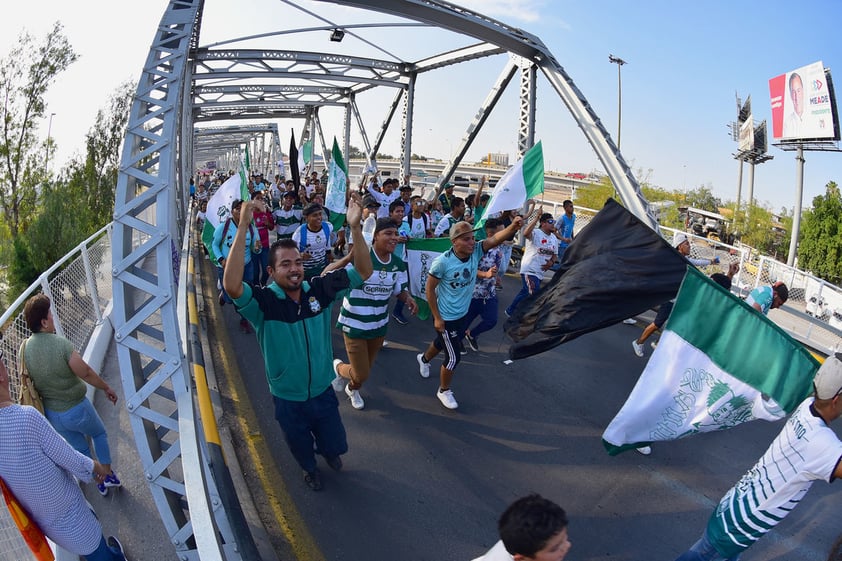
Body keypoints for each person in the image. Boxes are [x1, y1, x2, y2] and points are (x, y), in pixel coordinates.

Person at [223, 194, 372, 492]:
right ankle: (308, 468)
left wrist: (356, 228)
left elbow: (364, 272)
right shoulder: (263, 303)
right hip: (287, 397)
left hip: (322, 389)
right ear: (271, 272)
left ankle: (329, 454)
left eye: (297, 263)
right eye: (285, 264)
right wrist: (243, 227)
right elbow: (231, 285)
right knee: (299, 441)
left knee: (335, 441)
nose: (294, 269)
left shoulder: (320, 288)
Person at [674, 353, 842, 561]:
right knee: (701, 556)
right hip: (738, 526)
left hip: (735, 507)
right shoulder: (822, 444)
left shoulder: (807, 408)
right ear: (836, 399)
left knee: (704, 552)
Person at [0, 352, 128, 561]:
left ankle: (112, 553)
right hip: (68, 508)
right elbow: (67, 456)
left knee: (90, 547)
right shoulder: (26, 419)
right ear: (1, 375)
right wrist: (97, 469)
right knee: (97, 550)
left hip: (45, 520)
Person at [416, 216, 524, 409]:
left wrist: (513, 227)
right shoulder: (442, 263)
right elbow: (430, 290)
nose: (472, 242)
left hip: (462, 313)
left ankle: (423, 359)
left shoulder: (476, 252)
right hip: (446, 317)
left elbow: (496, 239)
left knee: (442, 343)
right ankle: (444, 390)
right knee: (454, 357)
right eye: (466, 239)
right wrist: (437, 318)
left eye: (473, 238)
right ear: (454, 241)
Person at [21, 294, 122, 497]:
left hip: (54, 415)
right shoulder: (60, 345)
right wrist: (105, 388)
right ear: (43, 322)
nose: (52, 317)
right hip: (77, 408)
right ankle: (109, 475)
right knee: (99, 434)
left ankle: (99, 482)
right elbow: (85, 372)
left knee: (81, 449)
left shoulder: (26, 349)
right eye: (50, 314)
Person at [332, 217, 418, 410]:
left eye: (396, 234)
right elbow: (328, 277)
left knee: (363, 371)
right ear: (375, 237)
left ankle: (352, 388)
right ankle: (338, 368)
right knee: (362, 374)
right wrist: (346, 259)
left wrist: (409, 299)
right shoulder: (361, 260)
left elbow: (398, 290)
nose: (394, 238)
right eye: (388, 233)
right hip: (354, 325)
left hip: (379, 327)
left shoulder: (397, 264)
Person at [632, 236, 728, 357]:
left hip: (679, 299)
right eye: (686, 244)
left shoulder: (684, 259)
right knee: (657, 323)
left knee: (676, 325)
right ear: (679, 246)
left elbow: (696, 262)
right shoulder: (674, 259)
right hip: (670, 298)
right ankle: (639, 342)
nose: (689, 246)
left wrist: (712, 262)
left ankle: (658, 342)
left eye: (689, 243)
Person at [472, 494, 571, 561]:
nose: (567, 546)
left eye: (564, 538)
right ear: (521, 558)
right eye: (554, 549)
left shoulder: (520, 541)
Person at [212, 199, 259, 332]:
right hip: (226, 268)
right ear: (232, 211)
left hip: (246, 266)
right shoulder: (224, 227)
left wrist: (257, 248)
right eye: (238, 208)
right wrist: (221, 259)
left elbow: (256, 248)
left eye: (243, 208)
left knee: (244, 295)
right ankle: (224, 295)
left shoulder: (251, 228)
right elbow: (214, 244)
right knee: (230, 298)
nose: (241, 211)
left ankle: (244, 320)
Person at [505, 210, 559, 318]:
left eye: (554, 221)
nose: (553, 223)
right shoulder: (536, 232)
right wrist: (536, 218)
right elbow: (525, 234)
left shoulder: (553, 238)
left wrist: (551, 262)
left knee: (525, 292)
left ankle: (511, 311)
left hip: (540, 272)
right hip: (529, 269)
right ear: (543, 223)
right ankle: (529, 317)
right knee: (535, 293)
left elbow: (555, 254)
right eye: (550, 221)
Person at [463, 219, 503, 353]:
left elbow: (494, 269)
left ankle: (472, 334)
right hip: (473, 294)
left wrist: (496, 278)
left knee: (491, 321)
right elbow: (469, 269)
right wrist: (485, 274)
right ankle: (455, 343)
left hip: (489, 294)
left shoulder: (499, 250)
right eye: (502, 232)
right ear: (491, 234)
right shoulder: (479, 248)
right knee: (462, 324)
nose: (505, 234)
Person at [292, 202, 334, 280]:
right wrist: (300, 255)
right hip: (305, 272)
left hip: (322, 269)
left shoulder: (328, 227)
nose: (319, 217)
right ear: (306, 218)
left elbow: (327, 242)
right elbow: (292, 252)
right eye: (315, 215)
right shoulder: (299, 232)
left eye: (320, 214)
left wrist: (329, 253)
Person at [251, 190, 275, 286]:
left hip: (264, 246)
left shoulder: (266, 212)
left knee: (267, 269)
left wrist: (267, 223)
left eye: (261, 198)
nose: (260, 200)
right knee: (255, 272)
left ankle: (263, 283)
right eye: (257, 198)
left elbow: (272, 227)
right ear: (252, 200)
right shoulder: (248, 214)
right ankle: (257, 287)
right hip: (252, 247)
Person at [784, 72, 804, 139]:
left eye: (798, 91)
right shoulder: (787, 123)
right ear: (790, 95)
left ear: (803, 91)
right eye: (793, 92)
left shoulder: (813, 118)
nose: (796, 96)